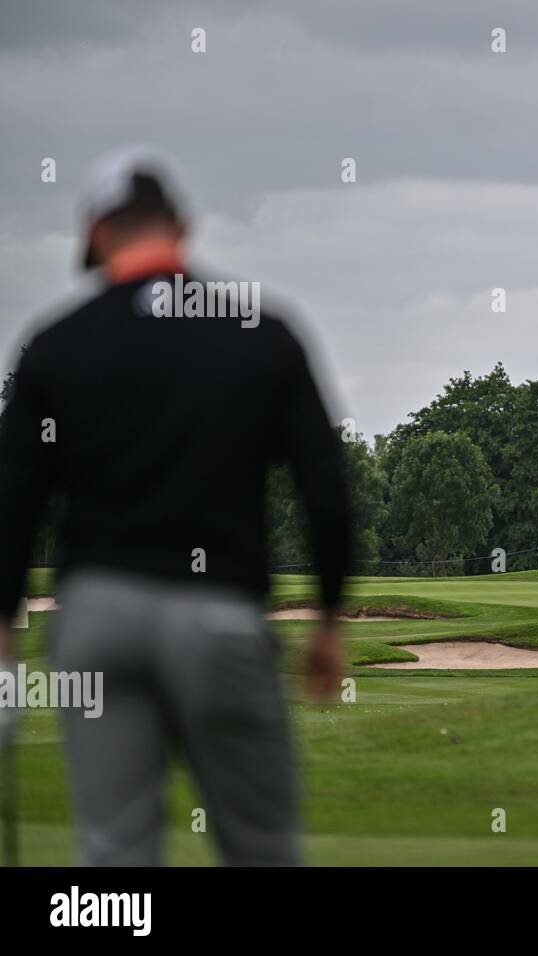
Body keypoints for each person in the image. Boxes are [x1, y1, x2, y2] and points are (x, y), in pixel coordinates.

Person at [0, 147, 351, 866]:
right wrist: (328, 618)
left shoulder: (56, 347)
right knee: (261, 849)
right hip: (219, 614)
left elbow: (11, 502)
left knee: (114, 855)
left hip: (95, 621)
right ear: (183, 228)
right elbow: (327, 487)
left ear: (95, 235)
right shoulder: (262, 332)